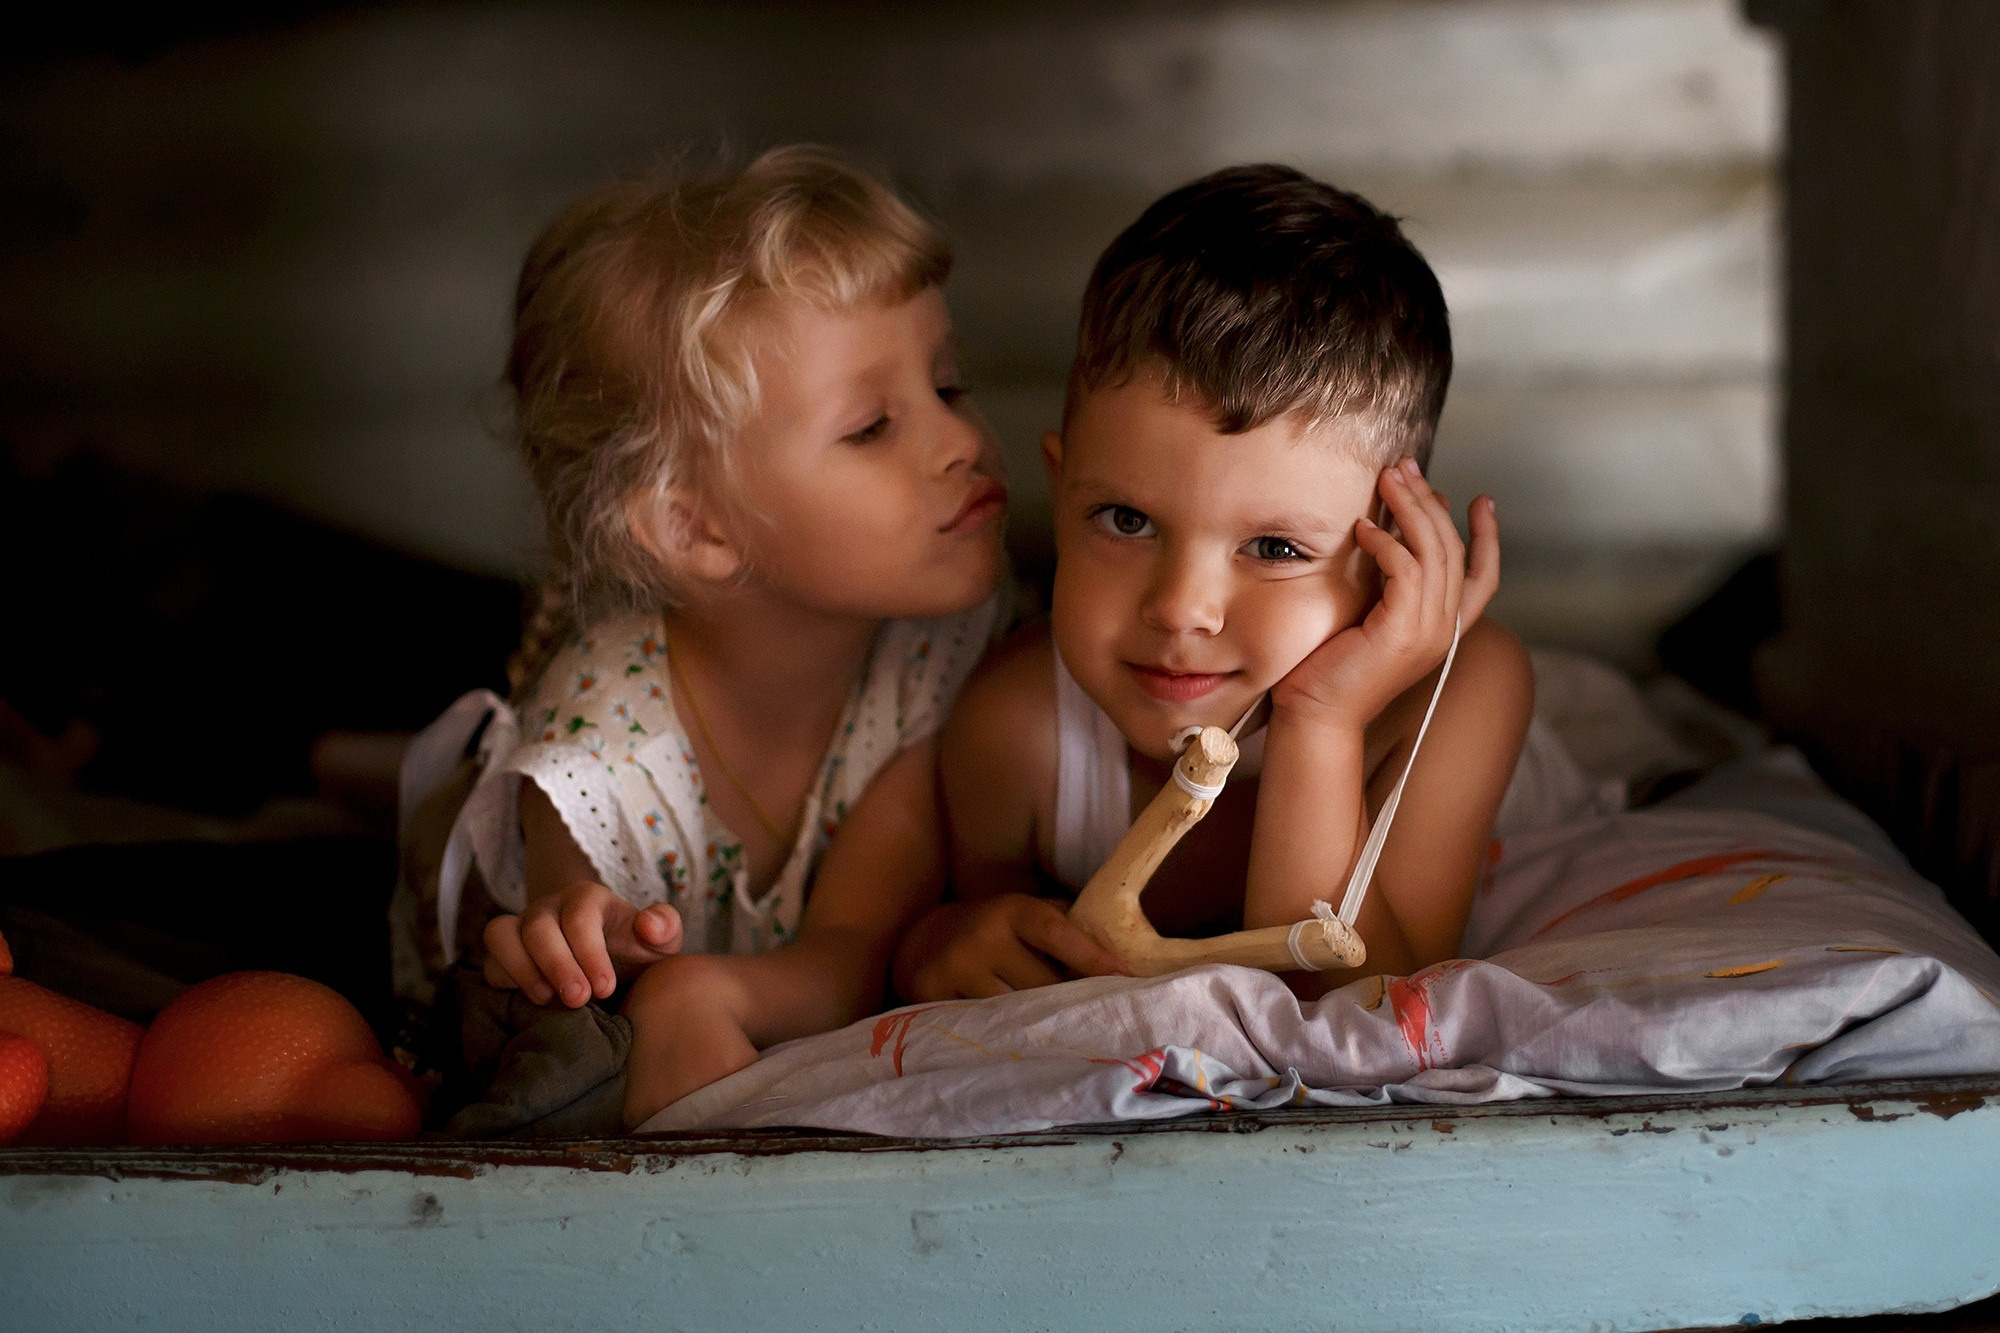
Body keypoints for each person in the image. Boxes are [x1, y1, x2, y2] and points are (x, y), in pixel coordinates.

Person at [418, 146, 1017, 1130]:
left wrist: (705, 992)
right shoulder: (596, 752)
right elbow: (571, 938)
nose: (962, 440)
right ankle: (391, 773)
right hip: (511, 800)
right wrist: (581, 930)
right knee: (438, 814)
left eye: (947, 386)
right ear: (698, 528)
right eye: (871, 426)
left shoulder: (937, 653)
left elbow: (849, 951)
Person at [895, 165, 1533, 1002]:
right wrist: (940, 943)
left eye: (1273, 546)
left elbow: (1352, 1005)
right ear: (1060, 495)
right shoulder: (1014, 734)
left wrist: (1322, 720)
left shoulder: (1463, 693)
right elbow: (1001, 953)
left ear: (1399, 551)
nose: (1180, 608)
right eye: (1125, 520)